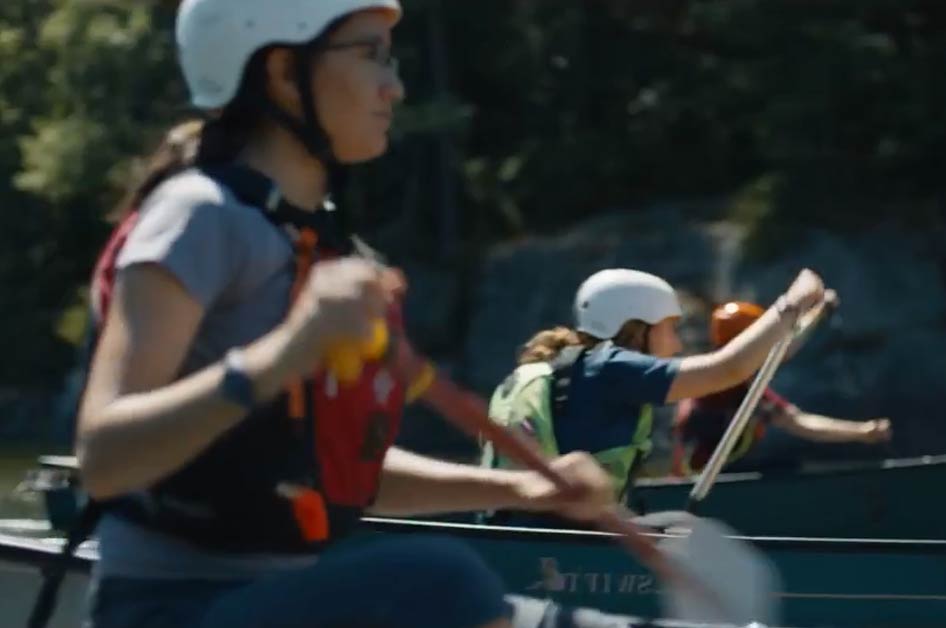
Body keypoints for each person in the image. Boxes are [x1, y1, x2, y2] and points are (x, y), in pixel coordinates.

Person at [72, 2, 614, 627]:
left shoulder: (320, 244)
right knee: (444, 581)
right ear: (281, 71)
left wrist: (522, 488)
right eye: (370, 55)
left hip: (280, 598)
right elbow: (104, 458)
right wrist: (288, 351)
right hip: (169, 609)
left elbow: (332, 471)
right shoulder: (197, 216)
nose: (395, 85)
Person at [481, 267, 828, 513]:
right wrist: (792, 300)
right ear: (636, 328)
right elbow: (729, 368)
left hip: (523, 530)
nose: (677, 344)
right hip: (562, 548)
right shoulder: (611, 368)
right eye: (671, 328)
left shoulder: (566, 369)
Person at [671, 301, 892, 476]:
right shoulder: (722, 382)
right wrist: (818, 312)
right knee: (784, 468)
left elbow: (797, 420)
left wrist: (863, 432)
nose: (766, 345)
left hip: (716, 476)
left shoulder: (731, 380)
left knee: (782, 465)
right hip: (704, 481)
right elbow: (784, 351)